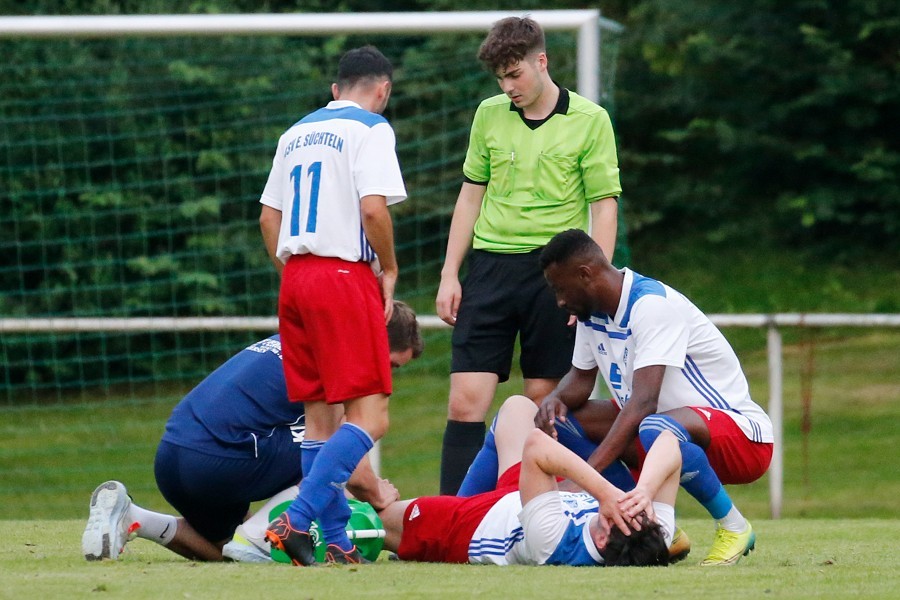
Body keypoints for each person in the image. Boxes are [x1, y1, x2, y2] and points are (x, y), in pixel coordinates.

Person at [434, 16, 622, 495]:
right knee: (465, 401)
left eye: (514, 74)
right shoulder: (488, 114)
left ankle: (545, 516)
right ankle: (456, 520)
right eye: (500, 77)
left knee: (545, 402)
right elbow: (470, 196)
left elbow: (604, 207)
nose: (507, 86)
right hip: (492, 268)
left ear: (542, 61)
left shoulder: (591, 119)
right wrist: (450, 273)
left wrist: (593, 287)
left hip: (556, 275)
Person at [81, 301, 423, 562]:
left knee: (222, 548)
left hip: (171, 457)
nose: (387, 377)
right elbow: (347, 464)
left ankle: (133, 516)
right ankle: (265, 534)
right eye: (390, 364)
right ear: (374, 340)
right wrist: (379, 494)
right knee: (324, 451)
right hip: (220, 460)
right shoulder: (338, 358)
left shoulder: (293, 339)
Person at [535, 228, 773, 566]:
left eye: (560, 288)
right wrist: (555, 399)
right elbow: (580, 379)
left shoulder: (652, 306)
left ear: (585, 274)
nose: (559, 301)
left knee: (656, 426)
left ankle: (733, 525)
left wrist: (584, 477)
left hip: (741, 438)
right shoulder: (591, 314)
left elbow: (643, 402)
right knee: (567, 422)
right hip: (662, 434)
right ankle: (650, 525)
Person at [257, 45, 407, 566]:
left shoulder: (295, 132)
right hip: (343, 275)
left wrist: (298, 276)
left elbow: (267, 220)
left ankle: (338, 539)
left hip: (295, 277)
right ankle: (295, 520)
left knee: (320, 420)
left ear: (334, 90)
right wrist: (388, 269)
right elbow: (373, 210)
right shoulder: (371, 129)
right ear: (382, 90)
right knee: (372, 416)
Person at [378, 394, 672, 567]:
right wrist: (644, 490)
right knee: (519, 407)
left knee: (378, 517)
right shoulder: (653, 534)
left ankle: (339, 461)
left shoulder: (553, 541)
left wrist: (606, 493)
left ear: (602, 538)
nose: (625, 504)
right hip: (535, 493)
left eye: (619, 512)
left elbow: (536, 445)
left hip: (480, 525)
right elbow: (669, 442)